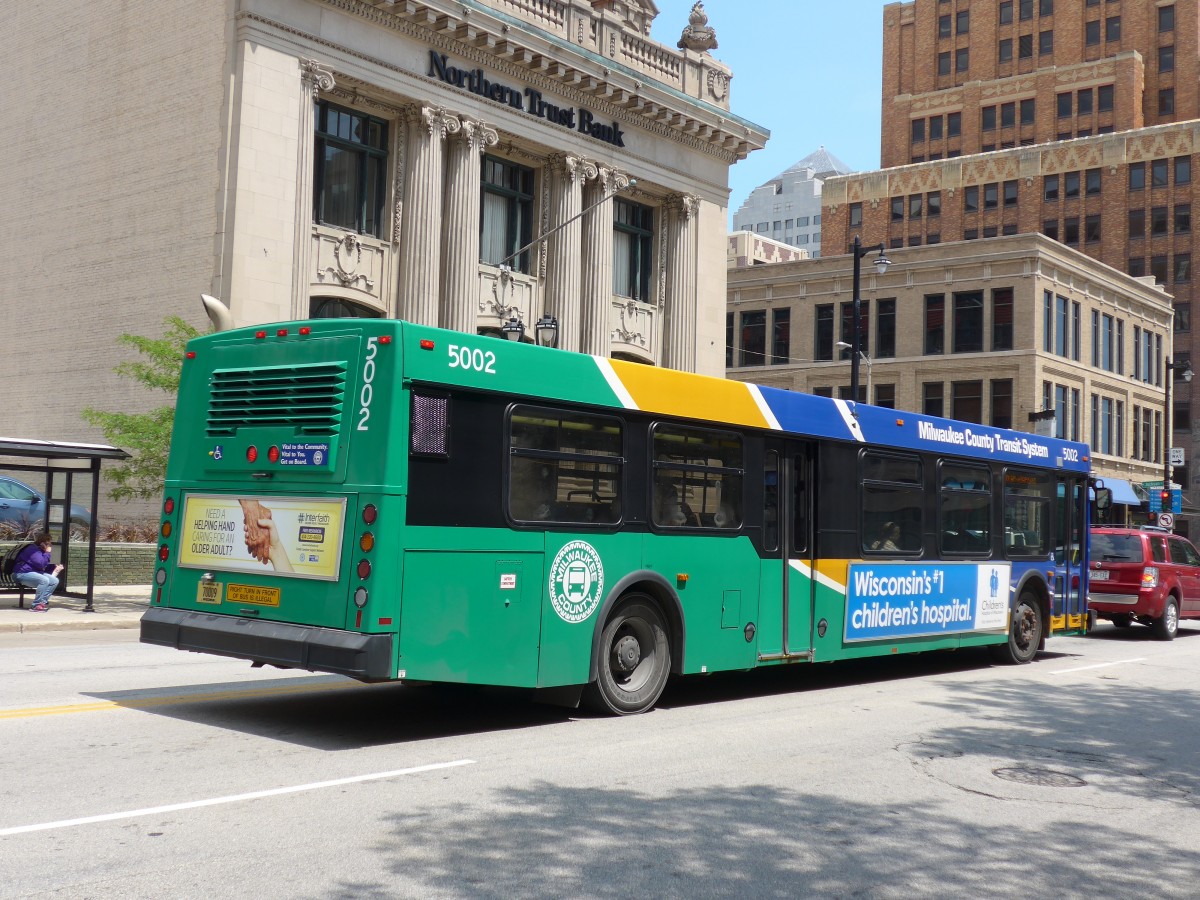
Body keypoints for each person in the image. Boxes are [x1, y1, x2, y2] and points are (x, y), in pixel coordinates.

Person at [12, 532, 65, 611]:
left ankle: (41, 603)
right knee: (44, 580)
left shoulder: (40, 550)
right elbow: (40, 564)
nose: (50, 545)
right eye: (49, 543)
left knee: (54, 581)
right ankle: (35, 605)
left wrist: (55, 568)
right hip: (21, 574)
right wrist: (47, 552)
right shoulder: (32, 549)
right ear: (42, 542)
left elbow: (43, 566)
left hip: (32, 573)